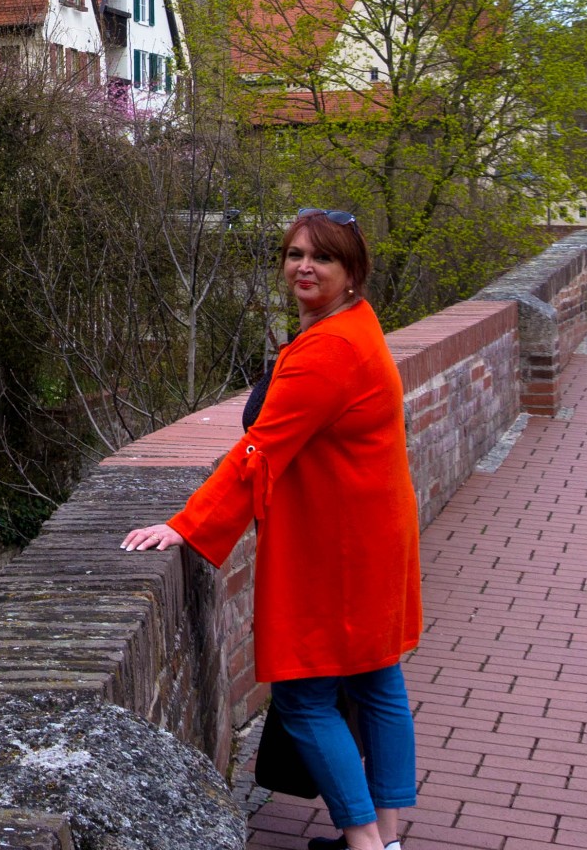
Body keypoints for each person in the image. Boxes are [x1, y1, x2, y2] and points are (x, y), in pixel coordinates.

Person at [122, 210, 421, 850]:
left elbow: (259, 452)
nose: (304, 267)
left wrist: (187, 525)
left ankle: (365, 843)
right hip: (372, 532)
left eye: (322, 257)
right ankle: (389, 839)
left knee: (305, 696)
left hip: (337, 546)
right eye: (294, 254)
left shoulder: (331, 349)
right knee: (376, 681)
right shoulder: (356, 324)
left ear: (352, 271)